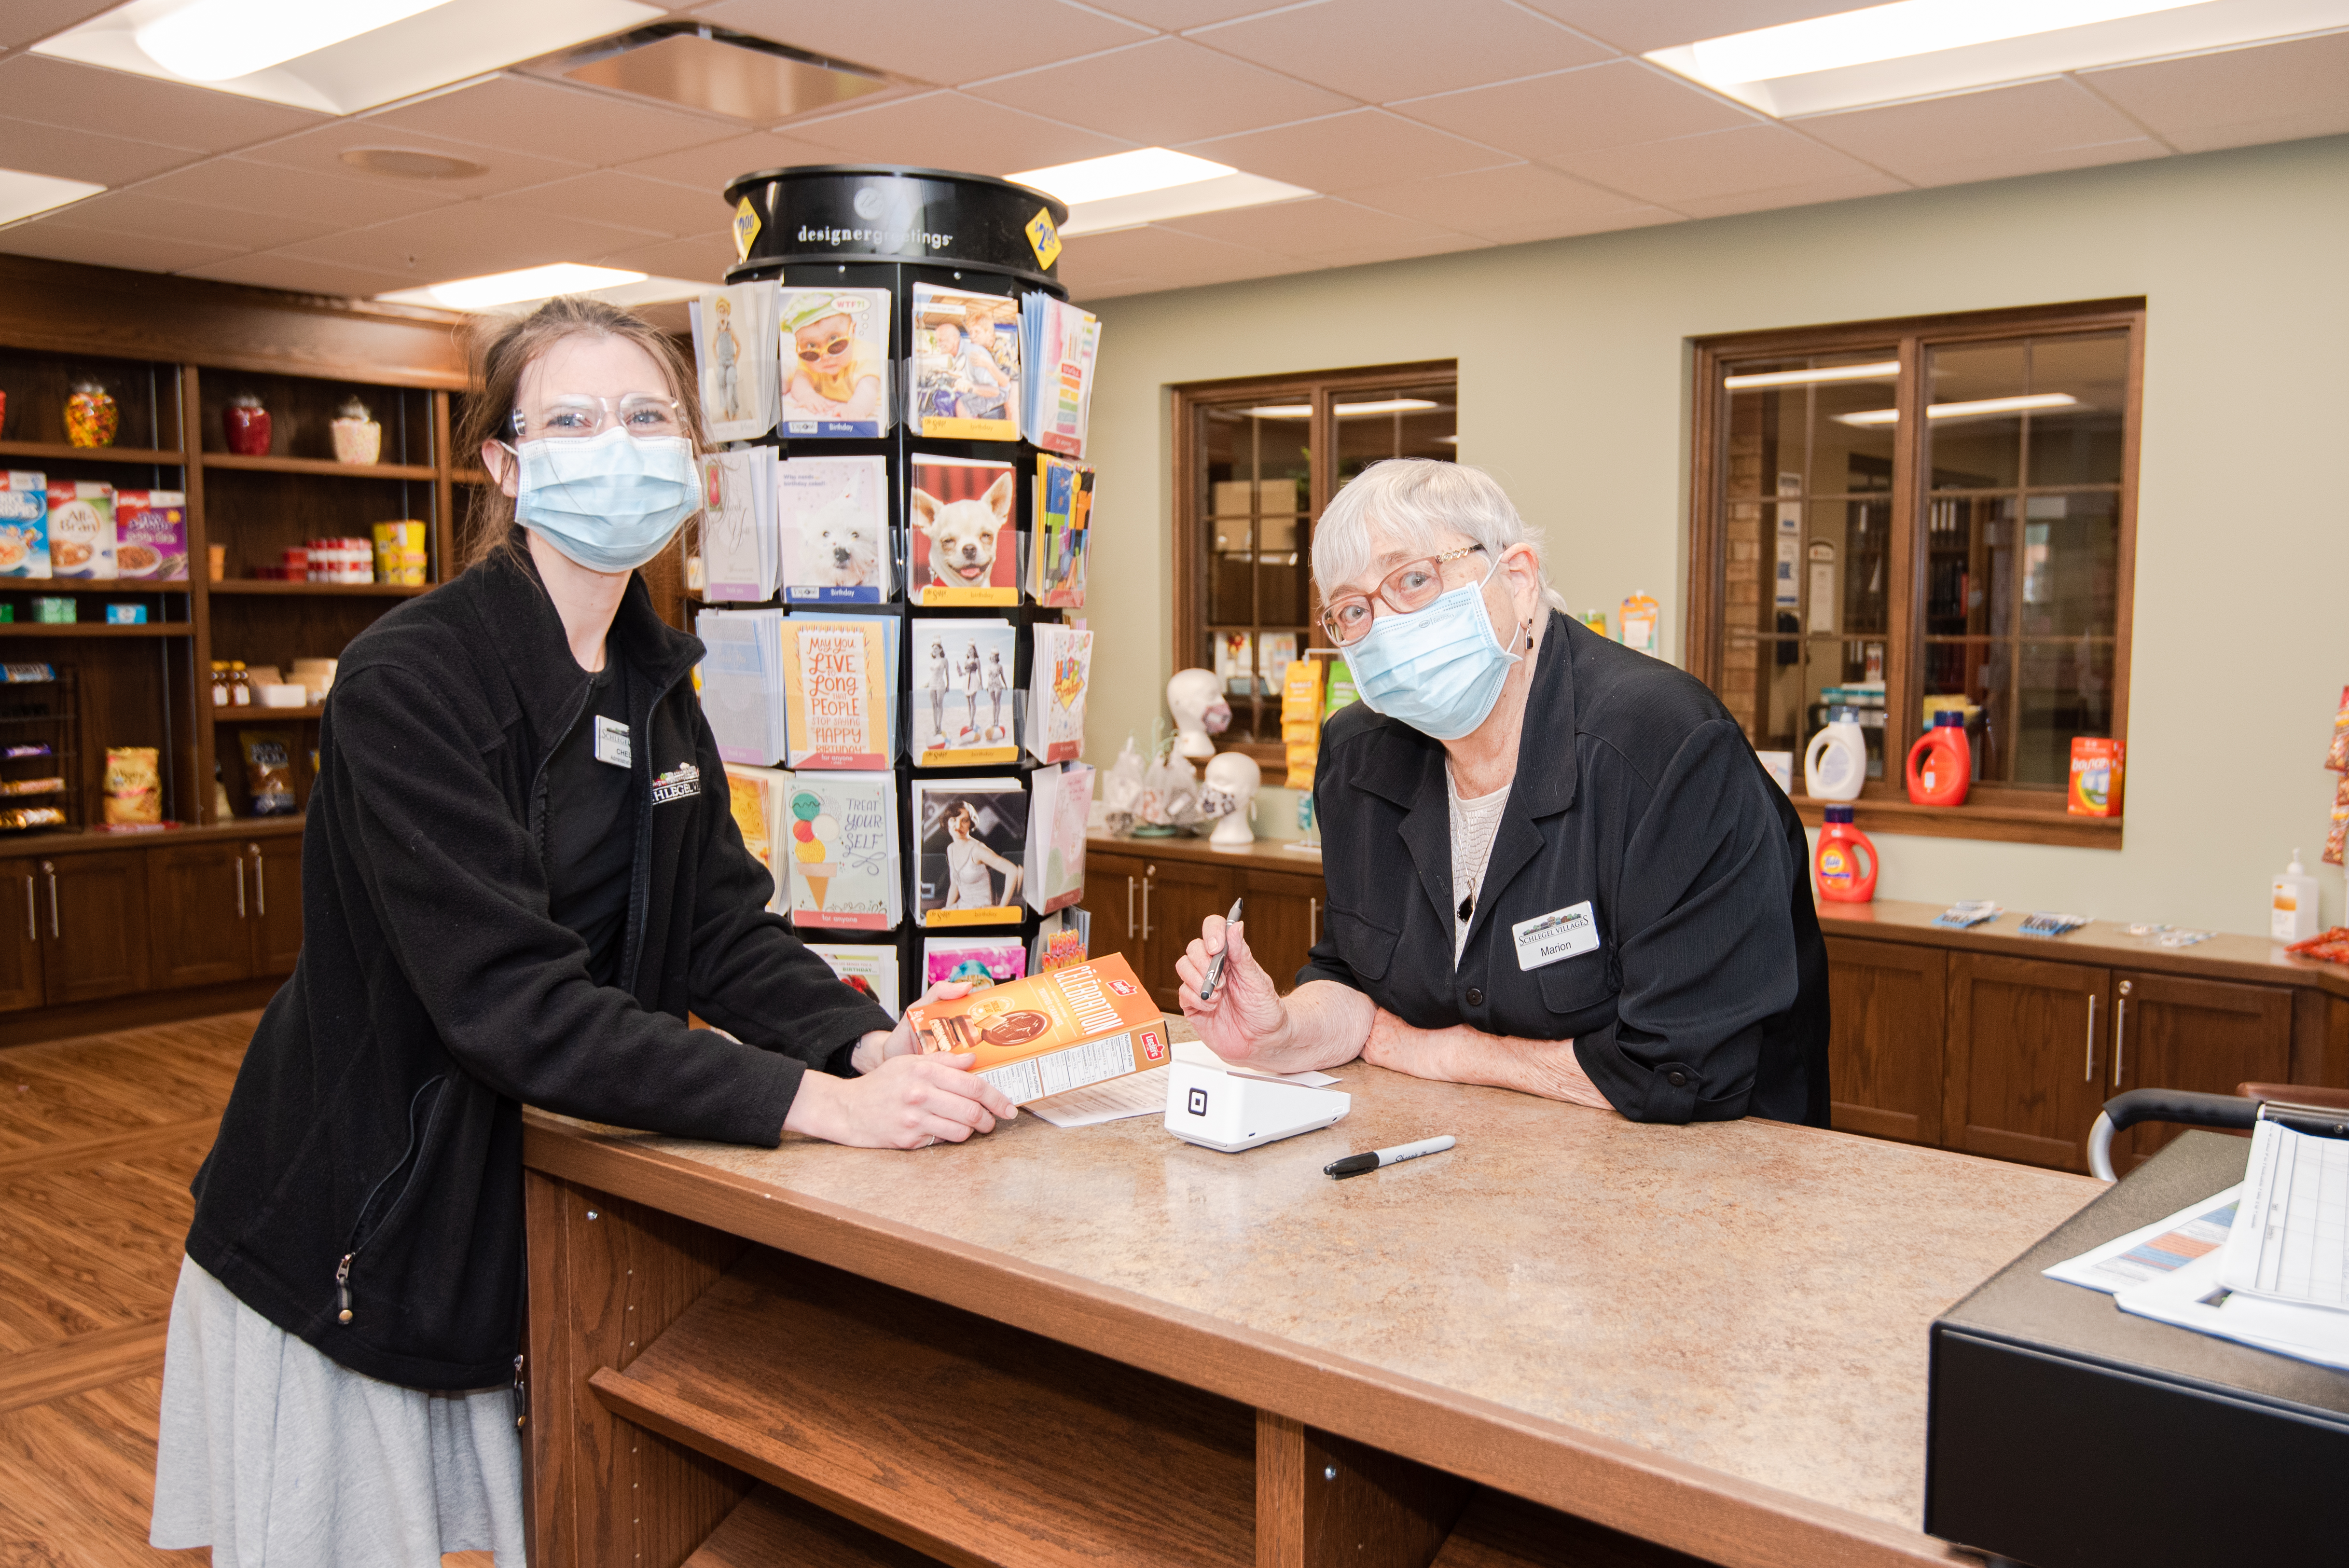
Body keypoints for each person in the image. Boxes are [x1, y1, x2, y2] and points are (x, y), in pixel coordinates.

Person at [149, 296, 1017, 1568]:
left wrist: (861, 1047)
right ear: (505, 464)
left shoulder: (650, 679)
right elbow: (514, 1006)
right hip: (358, 1228)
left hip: (520, 1214)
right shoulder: (411, 683)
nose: (612, 443)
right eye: (569, 417)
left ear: (692, 462)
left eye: (644, 414)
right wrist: (810, 1105)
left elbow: (719, 924)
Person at [1178, 459, 1828, 1126]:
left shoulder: (1667, 749)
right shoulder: (1360, 757)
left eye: (1413, 580)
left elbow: (1682, 1068)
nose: (1386, 626)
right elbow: (1353, 981)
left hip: (1713, 1184)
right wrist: (1280, 1031)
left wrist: (1448, 1053)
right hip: (1475, 1171)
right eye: (1353, 609)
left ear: (1517, 579)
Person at [941, 803, 1021, 910]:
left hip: (981, 911)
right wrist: (945, 913)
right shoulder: (951, 849)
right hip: (963, 907)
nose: (958, 826)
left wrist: (1001, 908)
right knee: (926, 922)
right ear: (947, 822)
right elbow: (955, 885)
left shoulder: (977, 850)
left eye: (964, 820)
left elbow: (1012, 870)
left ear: (971, 824)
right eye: (953, 820)